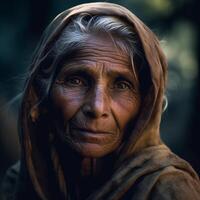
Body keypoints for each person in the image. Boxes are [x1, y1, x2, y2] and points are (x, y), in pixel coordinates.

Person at [0, 2, 200, 200]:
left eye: (122, 85)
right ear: (41, 93)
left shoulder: (168, 190)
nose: (97, 107)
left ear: (146, 104)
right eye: (76, 80)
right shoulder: (22, 182)